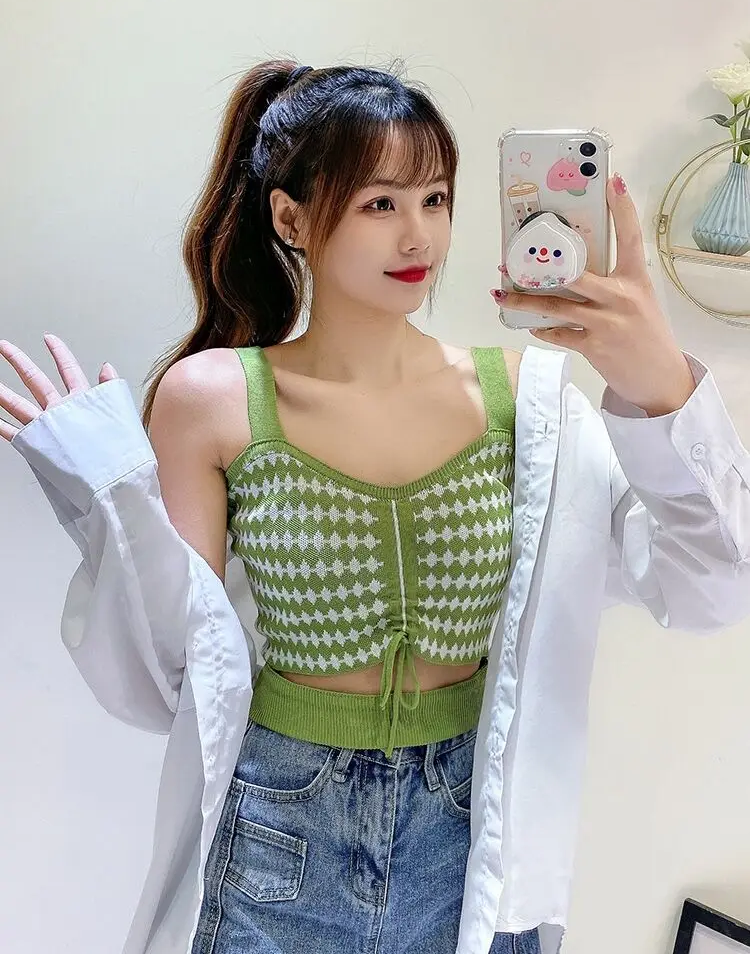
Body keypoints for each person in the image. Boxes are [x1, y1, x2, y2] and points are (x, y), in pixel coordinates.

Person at [1, 59, 749, 954]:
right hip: (280, 832)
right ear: (290, 219)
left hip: (470, 836)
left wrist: (659, 385)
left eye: (435, 199)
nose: (418, 235)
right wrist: (109, 495)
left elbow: (710, 590)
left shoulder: (527, 400)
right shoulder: (214, 398)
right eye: (380, 203)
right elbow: (171, 675)